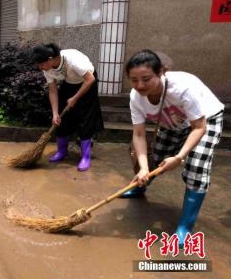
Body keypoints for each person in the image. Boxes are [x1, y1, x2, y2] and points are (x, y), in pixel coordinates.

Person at [122, 49, 224, 244]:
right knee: (156, 158)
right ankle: (140, 186)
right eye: (134, 80)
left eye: (146, 78)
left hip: (205, 120)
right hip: (173, 122)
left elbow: (199, 127)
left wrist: (179, 157)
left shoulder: (182, 88)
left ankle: (185, 225)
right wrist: (143, 168)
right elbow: (139, 133)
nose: (140, 85)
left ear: (160, 72)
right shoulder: (136, 97)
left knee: (196, 167)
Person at [32, 44, 104, 171]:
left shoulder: (73, 61)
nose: (40, 67)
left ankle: (85, 157)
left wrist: (75, 98)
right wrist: (55, 113)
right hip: (69, 83)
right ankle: (62, 151)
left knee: (84, 119)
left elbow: (90, 79)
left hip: (87, 82)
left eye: (41, 64)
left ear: (49, 59)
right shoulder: (47, 69)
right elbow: (53, 91)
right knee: (61, 117)